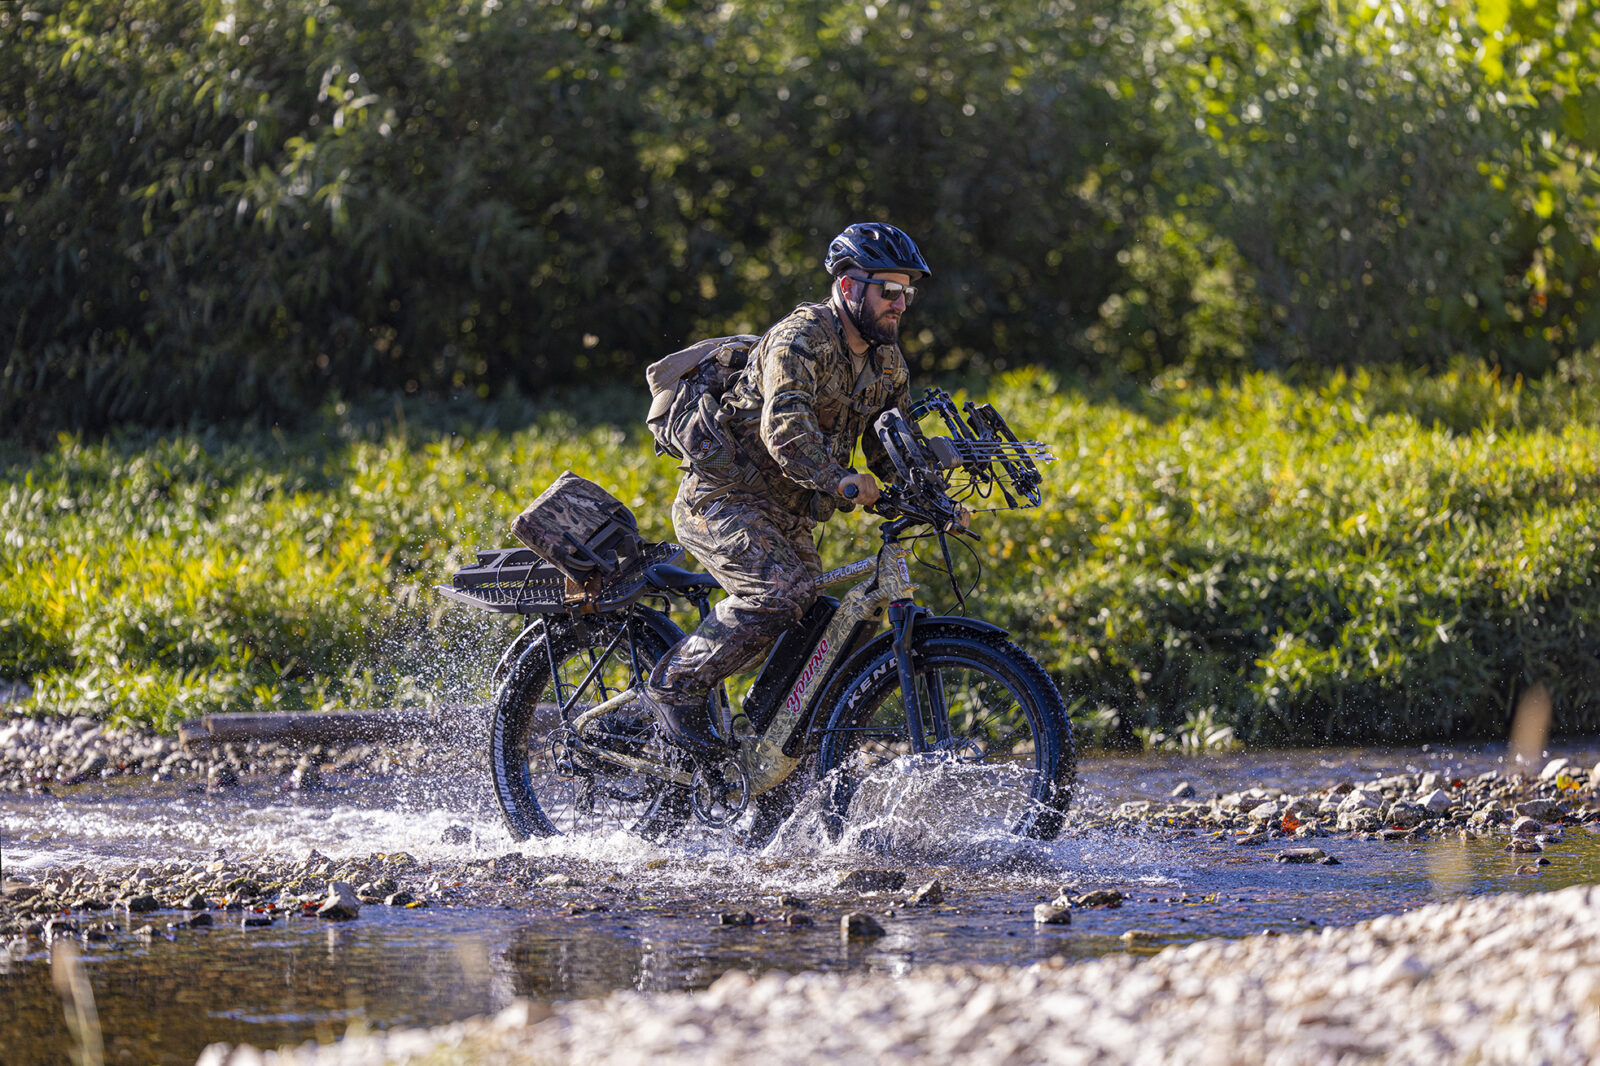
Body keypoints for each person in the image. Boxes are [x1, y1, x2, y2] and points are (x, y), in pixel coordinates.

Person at [638, 222, 932, 760]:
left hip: (787, 517)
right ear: (849, 288)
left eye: (907, 293)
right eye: (889, 291)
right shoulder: (799, 339)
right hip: (722, 500)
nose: (901, 305)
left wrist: (934, 494)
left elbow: (891, 448)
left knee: (821, 623)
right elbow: (786, 433)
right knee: (780, 595)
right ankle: (673, 687)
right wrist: (843, 480)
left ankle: (767, 757)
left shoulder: (887, 363)